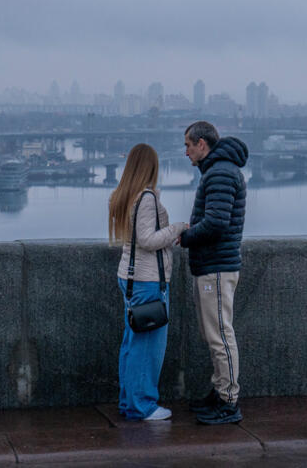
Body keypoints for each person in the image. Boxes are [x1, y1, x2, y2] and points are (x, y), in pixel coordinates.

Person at [108, 143, 188, 421]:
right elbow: (147, 240)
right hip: (147, 281)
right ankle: (143, 406)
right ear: (151, 167)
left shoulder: (127, 195)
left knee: (132, 344)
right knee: (147, 347)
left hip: (130, 278)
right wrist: (177, 228)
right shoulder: (146, 198)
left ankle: (130, 403)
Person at [178, 121, 248, 425]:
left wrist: (187, 236)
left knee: (220, 335)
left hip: (216, 268)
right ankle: (220, 392)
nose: (186, 152)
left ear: (202, 144)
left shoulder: (219, 172)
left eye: (188, 146)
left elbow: (217, 223)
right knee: (215, 334)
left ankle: (229, 402)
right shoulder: (220, 170)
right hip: (214, 265)